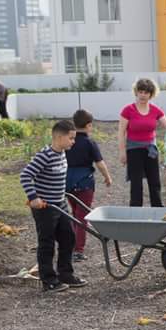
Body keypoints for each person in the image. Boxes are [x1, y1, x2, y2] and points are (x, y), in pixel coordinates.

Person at [20, 119, 86, 293]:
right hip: (45, 208)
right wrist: (33, 197)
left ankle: (65, 274)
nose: (73, 141)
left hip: (60, 204)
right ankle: (48, 280)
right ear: (59, 137)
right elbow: (25, 176)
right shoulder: (45, 155)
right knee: (47, 242)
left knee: (68, 238)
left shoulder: (62, 153)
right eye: (71, 138)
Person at [118, 78, 166, 207]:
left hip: (151, 150)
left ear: (151, 94)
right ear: (136, 92)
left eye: (146, 92)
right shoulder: (128, 110)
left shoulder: (155, 110)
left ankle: (158, 211)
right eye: (140, 92)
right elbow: (121, 132)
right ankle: (135, 213)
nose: (143, 95)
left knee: (155, 182)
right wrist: (122, 152)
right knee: (136, 184)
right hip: (134, 150)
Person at [66, 110, 113, 262]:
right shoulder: (89, 143)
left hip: (67, 182)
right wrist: (107, 177)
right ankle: (78, 250)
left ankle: (72, 245)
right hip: (85, 183)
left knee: (74, 213)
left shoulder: (68, 142)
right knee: (82, 216)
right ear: (89, 125)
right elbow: (99, 163)